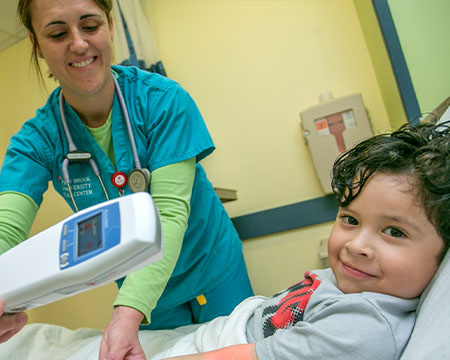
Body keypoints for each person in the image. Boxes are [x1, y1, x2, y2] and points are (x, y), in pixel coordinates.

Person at [0, 0, 253, 358]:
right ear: (36, 45)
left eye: (90, 26)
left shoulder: (163, 101)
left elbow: (168, 213)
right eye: (57, 33)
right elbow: (6, 231)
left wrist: (127, 311)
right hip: (145, 290)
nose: (78, 44)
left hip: (211, 269)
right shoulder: (35, 143)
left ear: (111, 26)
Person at [148, 121, 450, 360]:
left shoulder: (362, 330)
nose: (356, 246)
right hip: (224, 330)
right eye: (350, 220)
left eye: (394, 232)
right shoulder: (362, 284)